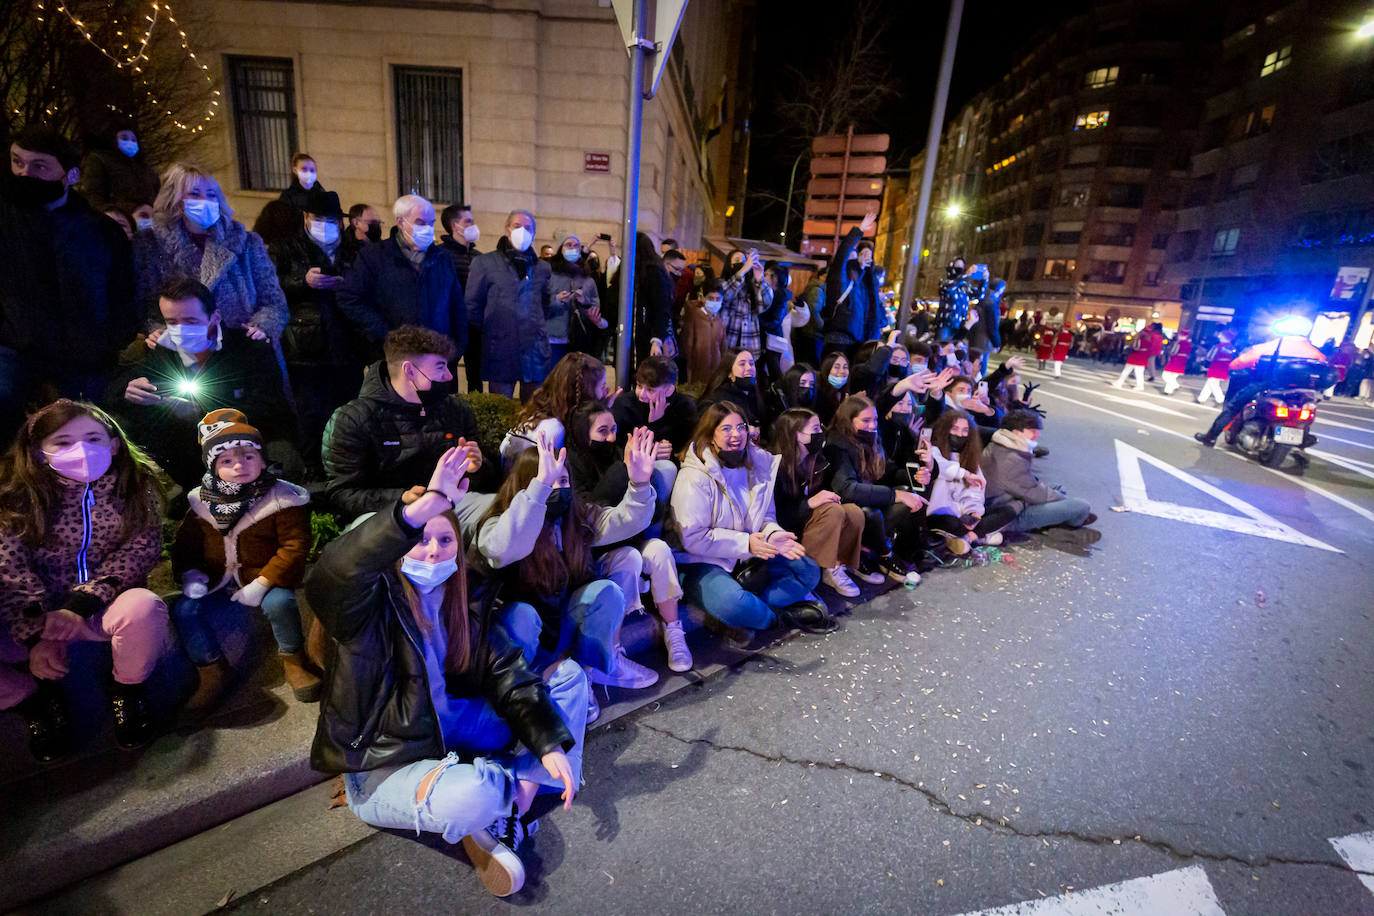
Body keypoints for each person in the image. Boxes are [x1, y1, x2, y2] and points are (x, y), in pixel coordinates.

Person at [306, 446, 586, 898]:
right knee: (468, 796)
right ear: (396, 548)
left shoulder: (465, 596)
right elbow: (335, 573)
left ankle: (514, 803)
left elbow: (507, 672)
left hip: (452, 735)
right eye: (420, 539)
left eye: (445, 540)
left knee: (569, 678)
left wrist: (548, 741)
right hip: (388, 761)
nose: (434, 552)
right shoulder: (365, 605)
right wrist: (416, 512)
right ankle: (502, 794)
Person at [0, 399, 166, 759]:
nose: (82, 450)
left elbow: (140, 550)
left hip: (96, 610)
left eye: (93, 437)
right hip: (29, 620)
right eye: (62, 442)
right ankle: (31, 700)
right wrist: (36, 636)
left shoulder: (135, 486)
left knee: (144, 608)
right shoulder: (17, 498)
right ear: (39, 453)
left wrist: (80, 605)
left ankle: (127, 690)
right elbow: (10, 569)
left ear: (114, 444)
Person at [476, 431, 660, 718]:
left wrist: (638, 483)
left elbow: (623, 521)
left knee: (606, 592)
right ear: (526, 485)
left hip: (562, 618)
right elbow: (503, 548)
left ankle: (587, 673)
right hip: (523, 629)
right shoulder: (498, 522)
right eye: (547, 481)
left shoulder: (575, 516)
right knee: (521, 615)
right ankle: (529, 687)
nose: (557, 489)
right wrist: (539, 491)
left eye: (563, 481)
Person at [171, 409, 316, 712]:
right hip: (216, 579)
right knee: (185, 610)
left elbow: (294, 546)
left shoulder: (281, 498)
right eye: (227, 460)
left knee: (280, 603)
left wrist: (262, 583)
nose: (239, 465)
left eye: (248, 457)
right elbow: (185, 547)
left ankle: (293, 659)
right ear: (213, 466)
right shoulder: (201, 501)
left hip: (263, 575)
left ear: (262, 459)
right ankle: (210, 670)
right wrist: (192, 576)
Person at [1, 126, 139, 442]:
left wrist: (108, 344)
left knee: (94, 422)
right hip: (14, 347)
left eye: (39, 166)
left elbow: (122, 296)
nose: (24, 174)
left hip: (82, 354)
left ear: (70, 174)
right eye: (17, 162)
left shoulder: (101, 232)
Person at [110, 277, 301, 491]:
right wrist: (129, 389)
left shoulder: (249, 348)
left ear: (214, 317)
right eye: (172, 322)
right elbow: (115, 392)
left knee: (284, 460)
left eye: (191, 321)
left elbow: (273, 410)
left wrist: (203, 414)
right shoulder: (163, 350)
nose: (180, 330)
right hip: (188, 446)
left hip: (247, 440)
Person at [668, 401, 832, 642]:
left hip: (748, 553)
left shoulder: (758, 464)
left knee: (808, 570)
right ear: (710, 434)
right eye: (726, 428)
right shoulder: (694, 476)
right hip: (702, 560)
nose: (736, 434)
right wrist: (746, 543)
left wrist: (773, 534)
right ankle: (779, 618)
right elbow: (693, 538)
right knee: (732, 603)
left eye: (741, 427)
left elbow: (766, 516)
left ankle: (746, 616)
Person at [564, 402, 692, 672]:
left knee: (658, 550)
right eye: (602, 431)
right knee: (631, 558)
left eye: (614, 429)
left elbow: (654, 510)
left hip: (632, 537)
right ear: (582, 433)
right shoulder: (573, 465)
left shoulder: (618, 455)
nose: (611, 438)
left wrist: (640, 480)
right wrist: (626, 473)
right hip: (596, 550)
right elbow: (589, 514)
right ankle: (612, 647)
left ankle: (673, 631)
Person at [322, 325, 488, 521]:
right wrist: (401, 498)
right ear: (409, 370)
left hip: (449, 506)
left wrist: (477, 468)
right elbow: (342, 493)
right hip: (388, 515)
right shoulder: (353, 419)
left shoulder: (456, 410)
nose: (449, 376)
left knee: (500, 512)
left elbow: (481, 479)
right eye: (440, 367)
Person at [133, 162, 288, 347]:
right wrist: (157, 331)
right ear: (175, 200)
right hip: (183, 353)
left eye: (211, 195)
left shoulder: (246, 242)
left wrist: (262, 327)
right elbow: (147, 305)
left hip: (243, 350)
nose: (204, 201)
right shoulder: (151, 246)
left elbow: (274, 301)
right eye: (194, 194)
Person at [270, 187, 360, 471]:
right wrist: (302, 281)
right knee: (312, 416)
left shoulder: (353, 250)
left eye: (332, 220)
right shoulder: (286, 248)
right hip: (305, 348)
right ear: (306, 217)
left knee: (349, 414)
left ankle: (346, 468)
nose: (326, 226)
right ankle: (315, 472)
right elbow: (271, 288)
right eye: (319, 218)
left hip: (347, 346)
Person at [335, 194, 467, 363]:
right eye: (420, 222)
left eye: (431, 223)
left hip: (437, 358)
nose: (427, 228)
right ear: (401, 222)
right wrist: (385, 334)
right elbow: (349, 297)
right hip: (394, 358)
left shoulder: (443, 258)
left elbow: (457, 305)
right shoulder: (374, 256)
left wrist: (457, 346)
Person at [768, 408, 873, 599]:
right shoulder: (775, 467)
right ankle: (812, 576)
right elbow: (776, 515)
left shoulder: (817, 459)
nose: (820, 434)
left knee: (853, 512)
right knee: (832, 511)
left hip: (809, 520)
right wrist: (810, 503)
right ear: (796, 435)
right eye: (815, 429)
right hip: (785, 528)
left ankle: (834, 568)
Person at [824, 396, 927, 585]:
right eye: (866, 420)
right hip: (842, 508)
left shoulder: (869, 438)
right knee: (869, 513)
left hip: (864, 499)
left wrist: (918, 476)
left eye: (875, 419)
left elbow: (886, 473)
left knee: (907, 492)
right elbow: (847, 489)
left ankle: (873, 550)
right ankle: (883, 555)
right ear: (848, 420)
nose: (872, 425)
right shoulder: (836, 445)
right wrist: (895, 494)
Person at [466, 210, 554, 400]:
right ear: (507, 230)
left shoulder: (542, 268)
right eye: (517, 226)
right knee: (500, 407)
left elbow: (545, 304)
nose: (522, 231)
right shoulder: (484, 263)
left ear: (534, 233)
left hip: (534, 352)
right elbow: (473, 307)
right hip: (500, 348)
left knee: (533, 411)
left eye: (528, 227)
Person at [1193, 332, 1329, 448]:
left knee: (1234, 406)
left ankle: (1211, 437)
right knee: (1305, 412)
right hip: (1300, 392)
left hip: (1267, 385)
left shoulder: (1270, 347)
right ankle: (1301, 444)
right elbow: (1326, 370)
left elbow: (1239, 363)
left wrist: (1239, 366)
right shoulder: (1315, 353)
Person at [983, 410, 1099, 544]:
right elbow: (1036, 495)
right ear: (1016, 433)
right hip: (1009, 516)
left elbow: (1028, 486)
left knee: (1057, 488)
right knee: (1081, 506)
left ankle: (1055, 520)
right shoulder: (1010, 458)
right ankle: (1067, 525)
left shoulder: (1002, 445)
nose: (1037, 434)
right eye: (1033, 430)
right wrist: (1063, 502)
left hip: (1012, 501)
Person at [499, 352, 611, 468]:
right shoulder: (555, 429)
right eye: (602, 387)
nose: (606, 392)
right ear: (586, 392)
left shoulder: (543, 413)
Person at [926, 409, 1015, 553]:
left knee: (1008, 511)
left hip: (963, 515)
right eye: (954, 429)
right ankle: (980, 537)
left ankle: (970, 537)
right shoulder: (933, 451)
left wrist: (973, 513)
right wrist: (964, 474)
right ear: (945, 430)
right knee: (953, 524)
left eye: (965, 430)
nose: (959, 434)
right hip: (940, 514)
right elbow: (940, 467)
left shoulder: (969, 458)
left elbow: (976, 492)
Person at [821, 208, 882, 356]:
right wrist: (859, 230)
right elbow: (842, 255)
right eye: (853, 257)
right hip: (839, 340)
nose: (855, 261)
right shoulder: (838, 279)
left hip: (858, 342)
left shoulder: (859, 283)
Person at [610, 355, 696, 457]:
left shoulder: (684, 407)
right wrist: (654, 425)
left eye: (650, 390)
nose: (642, 394)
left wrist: (670, 453)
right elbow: (617, 447)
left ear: (669, 390)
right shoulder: (624, 404)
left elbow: (686, 446)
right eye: (639, 386)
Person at [439, 203, 484, 390]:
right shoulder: (440, 255)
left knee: (476, 376)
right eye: (468, 221)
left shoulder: (478, 257)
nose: (473, 225)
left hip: (474, 326)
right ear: (453, 225)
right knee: (449, 376)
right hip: (451, 326)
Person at [545, 232, 602, 373]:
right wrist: (557, 299)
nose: (573, 248)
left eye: (576, 245)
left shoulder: (587, 278)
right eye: (568, 245)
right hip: (554, 338)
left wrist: (584, 302)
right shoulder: (549, 274)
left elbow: (595, 307)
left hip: (578, 340)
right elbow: (539, 303)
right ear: (560, 249)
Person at [78, 125, 160, 214]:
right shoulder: (100, 160)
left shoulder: (145, 168)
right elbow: (94, 195)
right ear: (113, 140)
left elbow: (156, 194)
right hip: (116, 220)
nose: (130, 142)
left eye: (134, 140)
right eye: (124, 138)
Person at [718, 248, 769, 363]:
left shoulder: (751, 286)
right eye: (737, 260)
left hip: (749, 343)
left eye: (745, 260)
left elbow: (765, 304)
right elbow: (724, 296)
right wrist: (744, 269)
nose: (742, 262)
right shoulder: (723, 283)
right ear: (729, 265)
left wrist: (760, 279)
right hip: (728, 341)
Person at [699, 348, 764, 434]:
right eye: (742, 364)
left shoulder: (755, 393)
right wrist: (745, 430)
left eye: (751, 363)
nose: (749, 368)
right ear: (730, 373)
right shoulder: (718, 399)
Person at [681, 277, 726, 385]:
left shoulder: (719, 318)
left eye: (717, 299)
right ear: (703, 298)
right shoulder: (694, 316)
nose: (715, 302)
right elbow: (688, 347)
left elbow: (723, 346)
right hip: (697, 374)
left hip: (715, 374)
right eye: (711, 298)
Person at [1197, 330, 1236, 405]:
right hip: (1225, 367)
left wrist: (1203, 361)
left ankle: (1220, 399)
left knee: (1213, 383)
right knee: (1210, 382)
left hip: (1216, 366)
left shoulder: (1218, 346)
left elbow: (1209, 357)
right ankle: (1201, 398)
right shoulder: (1232, 348)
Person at [340, 202, 381, 271]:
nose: (376, 225)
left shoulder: (381, 247)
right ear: (356, 223)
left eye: (377, 221)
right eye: (371, 221)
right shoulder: (343, 249)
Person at [816, 350, 851, 425]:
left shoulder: (845, 394)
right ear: (827, 369)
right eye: (836, 367)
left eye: (845, 367)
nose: (842, 371)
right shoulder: (818, 392)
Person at [1161, 329, 1192, 395]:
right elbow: (1189, 352)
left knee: (1165, 375)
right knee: (1173, 376)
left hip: (1175, 359)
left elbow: (1173, 352)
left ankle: (1175, 385)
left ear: (1181, 335)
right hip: (1183, 360)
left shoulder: (1178, 343)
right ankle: (1168, 391)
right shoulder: (1188, 344)